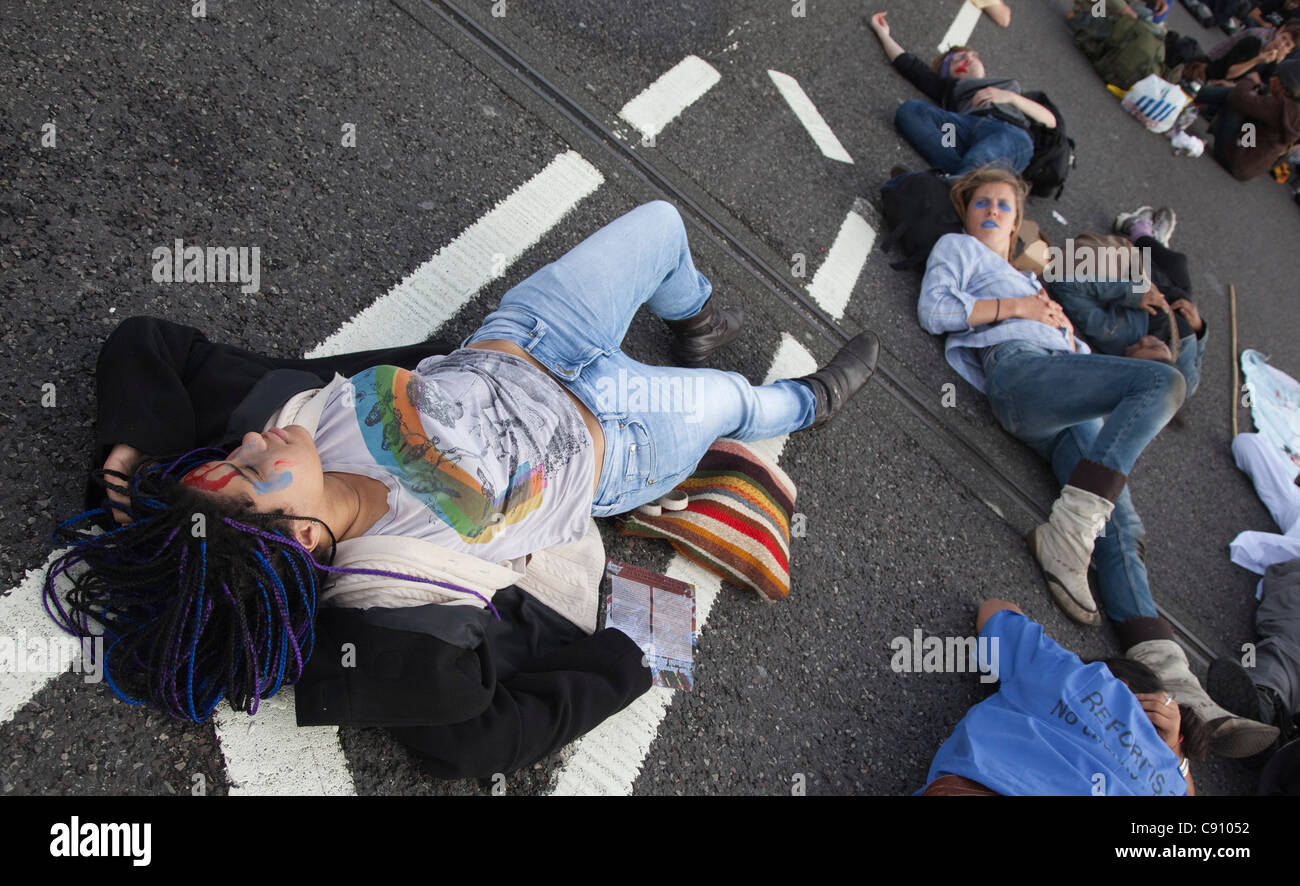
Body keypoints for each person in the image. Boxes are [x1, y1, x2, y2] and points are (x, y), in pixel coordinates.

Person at [44, 201, 881, 778]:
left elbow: (148, 344)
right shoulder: (399, 596)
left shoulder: (286, 421)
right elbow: (482, 740)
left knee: (661, 225)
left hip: (527, 336)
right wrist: (629, 657)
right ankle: (808, 403)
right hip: (622, 441)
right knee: (738, 401)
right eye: (259, 469)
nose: (256, 441)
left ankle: (695, 315)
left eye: (233, 454)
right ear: (300, 539)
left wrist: (129, 478)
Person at [915, 166, 1278, 756]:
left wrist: (1174, 323)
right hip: (1021, 372)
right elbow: (935, 311)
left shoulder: (1044, 287)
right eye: (980, 203)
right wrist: (1021, 310)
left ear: (1017, 222)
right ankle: (1067, 535)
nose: (990, 211)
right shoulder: (960, 250)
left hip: (1066, 399)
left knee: (1124, 527)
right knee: (1159, 387)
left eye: (1002, 205)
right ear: (965, 213)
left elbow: (1151, 352)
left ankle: (1187, 695)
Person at [920, 599, 1205, 795]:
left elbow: (993, 611)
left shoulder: (1070, 674)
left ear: (1119, 682)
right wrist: (1174, 756)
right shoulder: (1169, 777)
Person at [1043, 206, 1208, 398]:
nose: (1145, 340)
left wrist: (1134, 294)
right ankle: (1149, 240)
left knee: (1078, 258)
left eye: (1137, 347)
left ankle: (1138, 231)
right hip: (1175, 298)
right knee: (1178, 263)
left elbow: (1065, 286)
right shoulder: (1184, 384)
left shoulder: (1112, 332)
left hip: (1138, 280)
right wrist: (1199, 328)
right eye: (1155, 346)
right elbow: (1197, 358)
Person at [868, 11, 1057, 176]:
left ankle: (962, 180)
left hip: (1007, 131)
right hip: (959, 134)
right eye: (956, 60)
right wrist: (883, 34)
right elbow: (911, 67)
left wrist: (1011, 98)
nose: (968, 57)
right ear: (947, 75)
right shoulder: (952, 90)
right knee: (911, 111)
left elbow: (1050, 121)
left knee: (984, 154)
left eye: (972, 55)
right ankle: (964, 178)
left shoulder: (1008, 88)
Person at [1196, 58, 1300, 179]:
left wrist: (1250, 81)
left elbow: (1238, 98)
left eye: (1277, 77)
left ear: (1285, 86)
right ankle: (1197, 96)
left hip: (1234, 157)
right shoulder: (1293, 112)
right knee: (1246, 102)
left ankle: (1188, 92)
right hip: (1248, 165)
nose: (1272, 79)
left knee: (1234, 99)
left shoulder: (1281, 107)